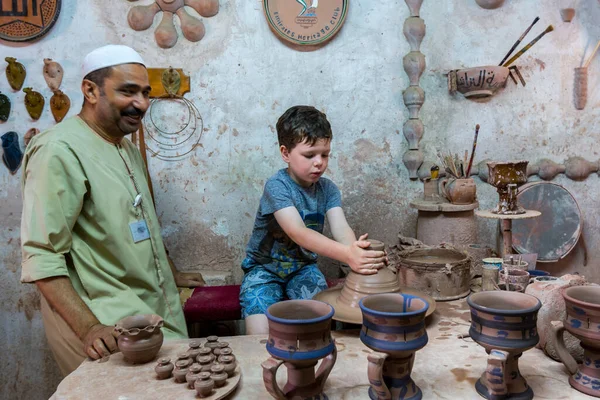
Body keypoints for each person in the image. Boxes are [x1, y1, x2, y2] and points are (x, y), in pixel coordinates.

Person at [20, 45, 204, 376]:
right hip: (106, 325)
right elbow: (42, 255)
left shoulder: (123, 144)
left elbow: (140, 220)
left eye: (145, 93)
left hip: (148, 311)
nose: (142, 104)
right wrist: (90, 328)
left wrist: (170, 270)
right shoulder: (58, 151)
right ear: (90, 90)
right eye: (128, 91)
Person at [240, 105, 387, 334]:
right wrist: (347, 254)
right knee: (259, 337)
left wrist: (356, 251)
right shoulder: (277, 186)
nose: (319, 162)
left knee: (324, 324)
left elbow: (340, 228)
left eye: (325, 154)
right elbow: (297, 231)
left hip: (303, 268)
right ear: (285, 153)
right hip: (264, 270)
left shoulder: (328, 190)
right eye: (309, 155)